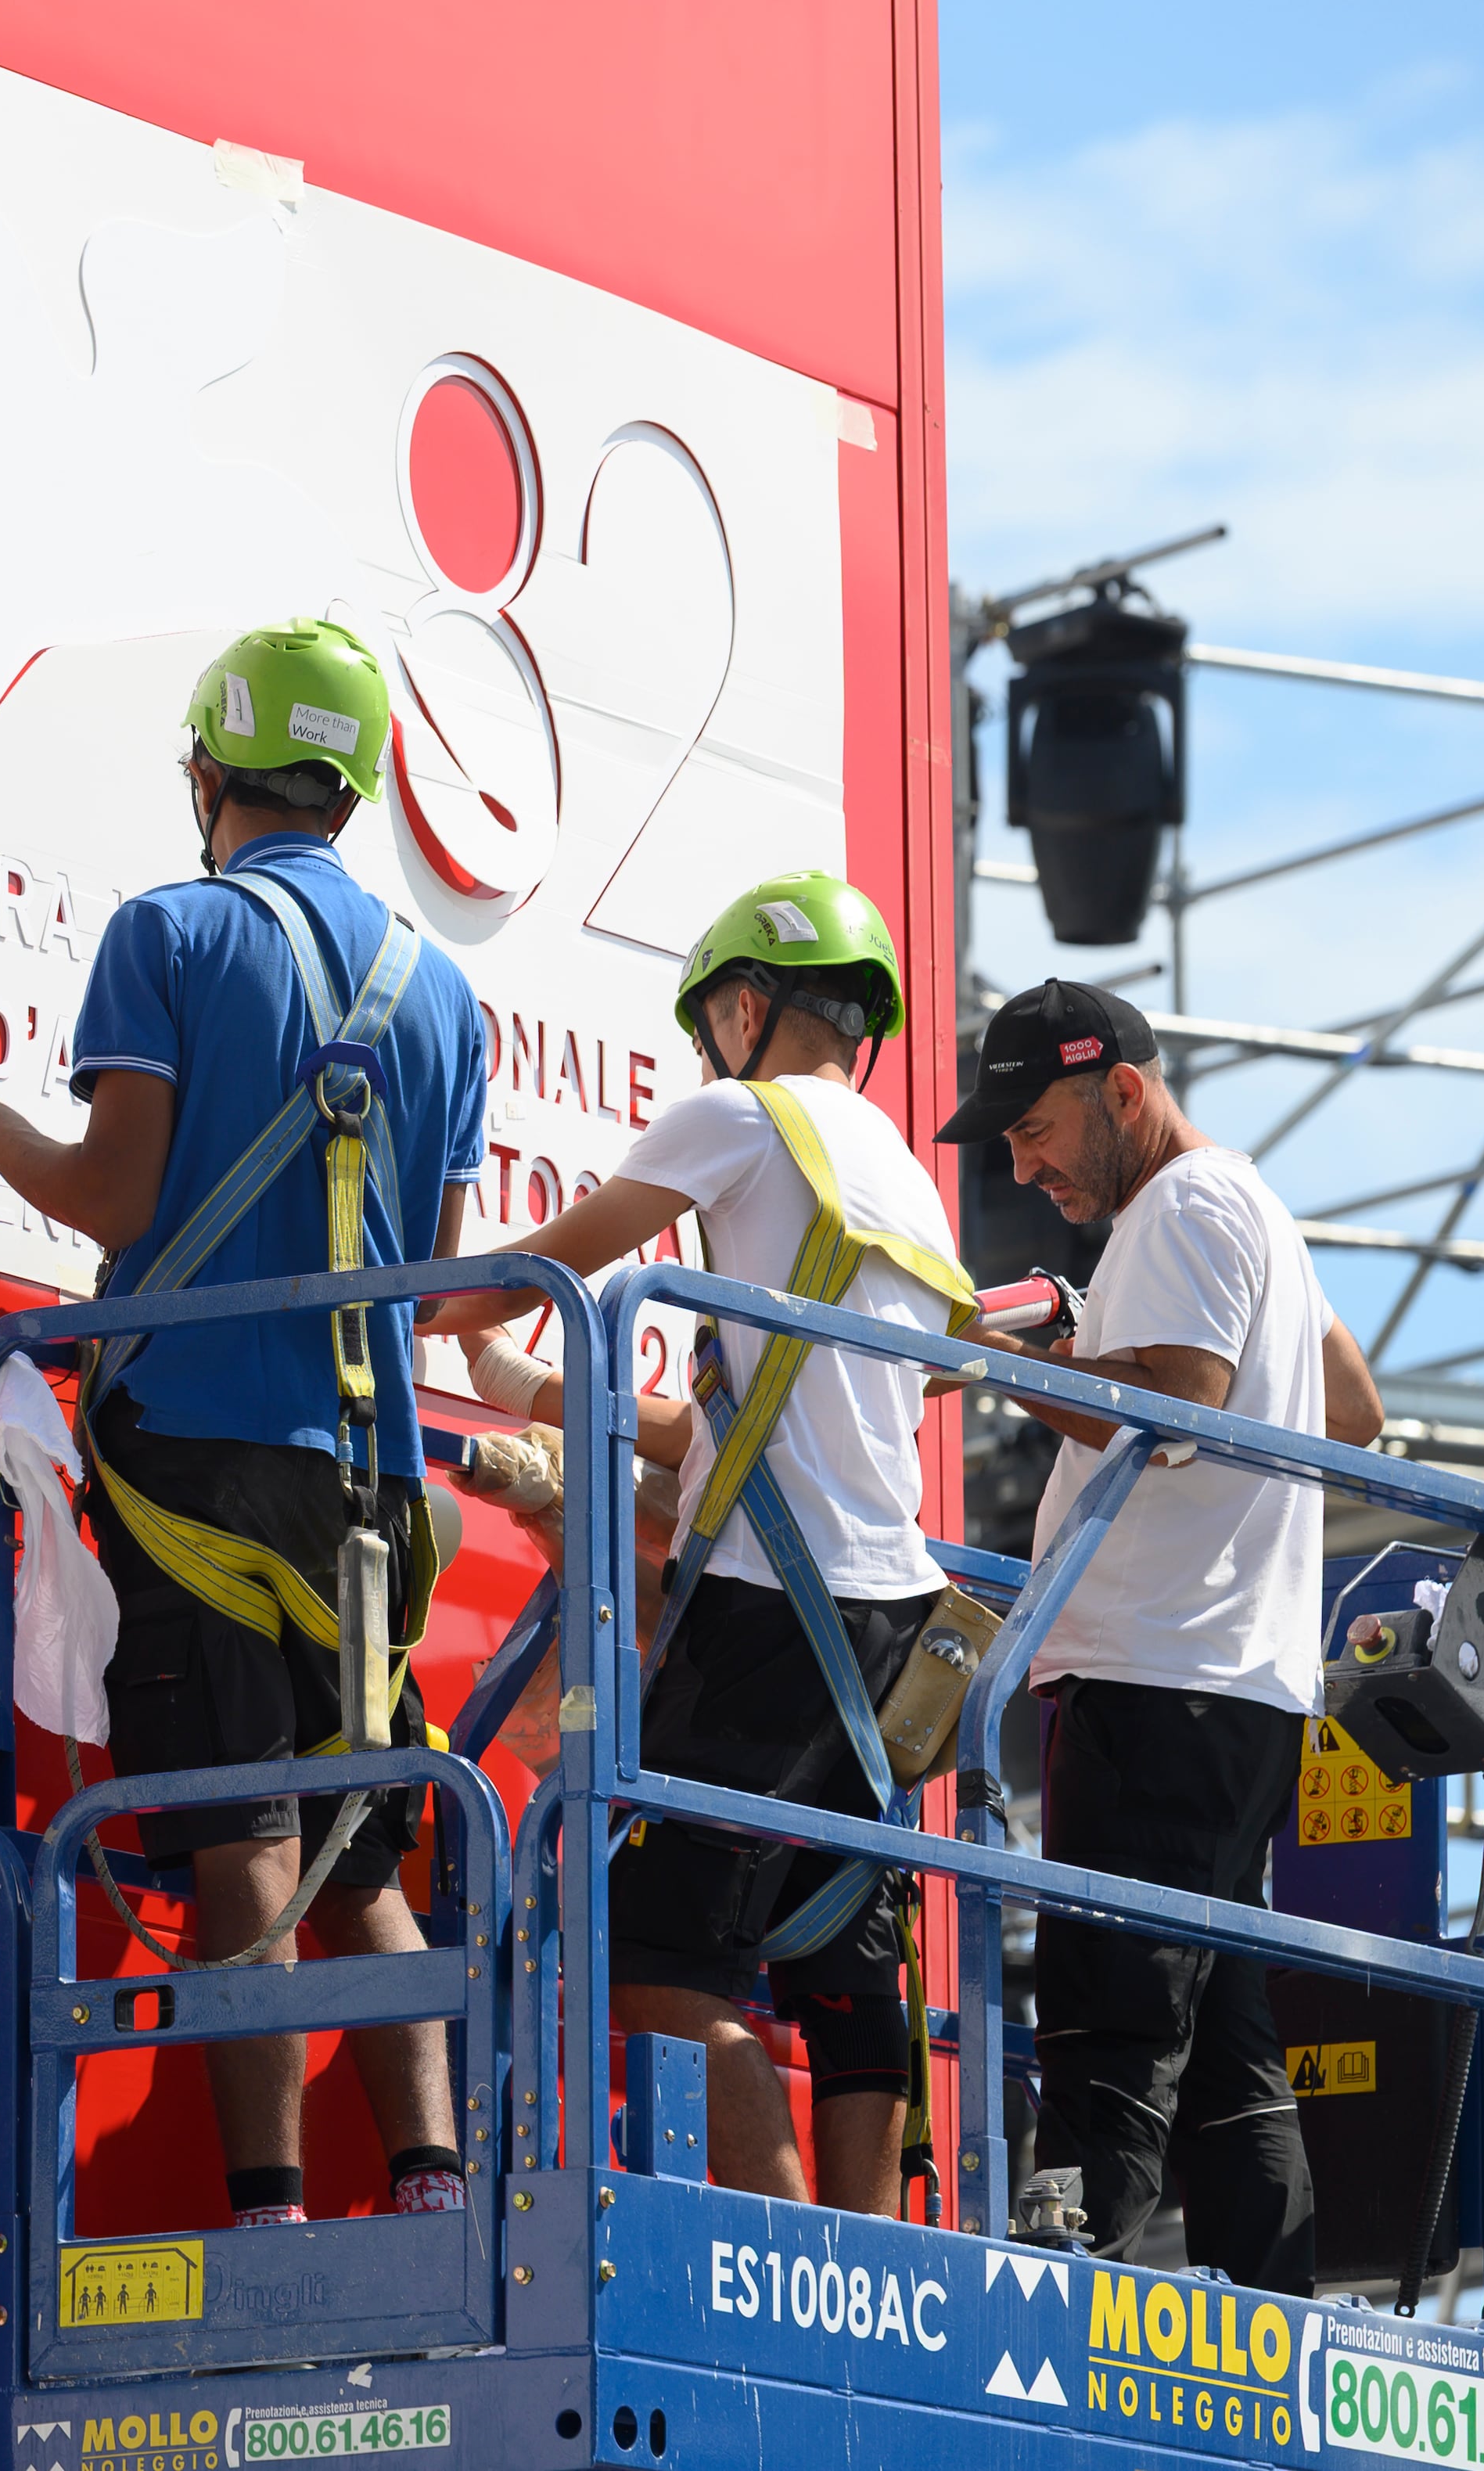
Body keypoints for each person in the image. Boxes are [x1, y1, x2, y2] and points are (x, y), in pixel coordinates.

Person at [0, 619, 487, 2228]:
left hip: (200, 1460)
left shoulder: (171, 931)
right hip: (369, 1481)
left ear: (211, 773)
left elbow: (112, 1195)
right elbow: (429, 1280)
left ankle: (272, 2201)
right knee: (362, 1842)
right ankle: (432, 2185)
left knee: (245, 1822)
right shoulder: (444, 994)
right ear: (354, 789)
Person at [419, 872, 969, 2214]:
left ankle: (774, 2260)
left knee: (664, 1963)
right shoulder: (906, 1183)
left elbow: (543, 1264)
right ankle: (866, 2282)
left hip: (772, 1612)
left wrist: (410, 1310)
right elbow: (765, 1430)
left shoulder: (741, 1118)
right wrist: (534, 1393)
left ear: (743, 1003)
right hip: (896, 1616)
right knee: (846, 1967)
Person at [941, 979, 1383, 2290]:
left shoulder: (1182, 1204)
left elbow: (1178, 1407)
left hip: (1158, 1679)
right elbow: (1349, 1406)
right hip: (1230, 1681)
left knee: (1108, 2021)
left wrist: (1010, 1359)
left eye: (1032, 1130)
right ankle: (1278, 2319)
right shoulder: (1249, 1211)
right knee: (1223, 2045)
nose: (1022, 1166)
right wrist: (1100, 1347)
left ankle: (1061, 2310)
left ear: (1121, 1091)